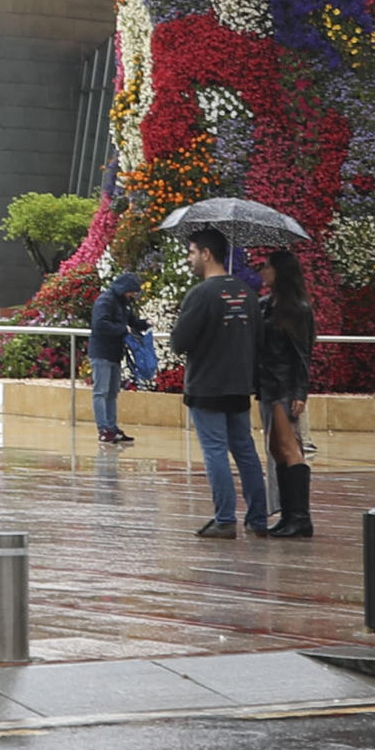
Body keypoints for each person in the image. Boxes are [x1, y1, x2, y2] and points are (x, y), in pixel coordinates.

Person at [169, 229, 268, 539]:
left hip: (207, 387)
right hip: (239, 385)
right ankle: (258, 518)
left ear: (207, 254)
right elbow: (258, 339)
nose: (190, 259)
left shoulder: (201, 294)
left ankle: (225, 519)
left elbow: (178, 342)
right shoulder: (247, 293)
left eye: (192, 252)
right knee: (246, 452)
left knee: (215, 451)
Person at [259, 246, 317, 537]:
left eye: (267, 266)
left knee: (289, 447)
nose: (262, 271)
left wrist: (299, 392)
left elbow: (302, 353)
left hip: (284, 385)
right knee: (275, 449)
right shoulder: (267, 304)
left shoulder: (297, 309)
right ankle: (288, 513)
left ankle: (300, 516)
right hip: (267, 384)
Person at [88, 271, 145, 445]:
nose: (133, 295)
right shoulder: (105, 301)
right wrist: (123, 329)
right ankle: (103, 429)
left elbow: (132, 321)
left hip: (114, 353)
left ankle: (111, 427)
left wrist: (144, 324)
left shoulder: (122, 303)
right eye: (132, 291)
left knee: (112, 392)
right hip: (102, 353)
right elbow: (100, 324)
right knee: (101, 391)